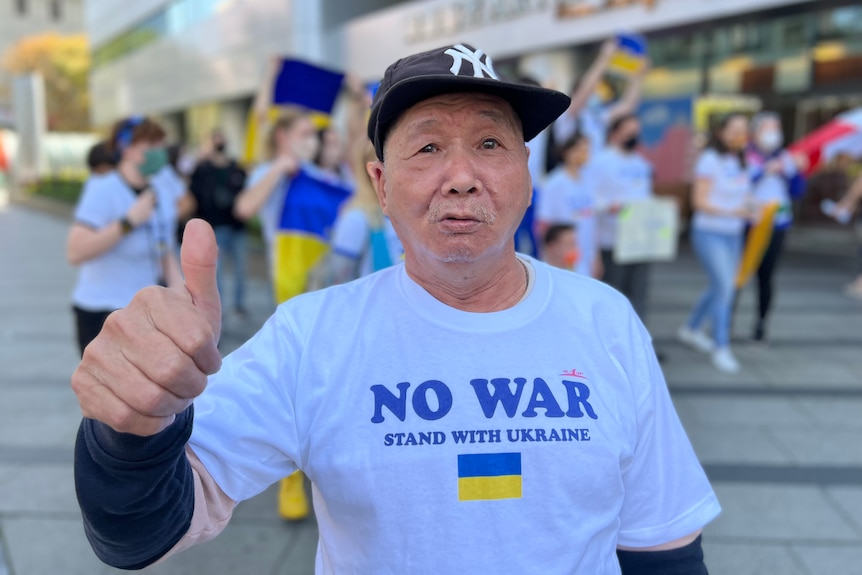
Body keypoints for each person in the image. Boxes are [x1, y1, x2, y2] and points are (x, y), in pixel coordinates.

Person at [72, 43, 720, 574]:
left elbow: (662, 545)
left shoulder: (605, 320)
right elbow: (139, 528)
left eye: (491, 145)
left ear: (527, 172)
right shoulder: (313, 336)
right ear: (381, 184)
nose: (463, 175)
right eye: (429, 147)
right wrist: (132, 431)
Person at [66, 117, 182, 356]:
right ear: (127, 149)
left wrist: (186, 303)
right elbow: (75, 251)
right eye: (152, 146)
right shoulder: (103, 188)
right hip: (102, 312)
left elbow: (165, 252)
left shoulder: (161, 190)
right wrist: (127, 223)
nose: (160, 152)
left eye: (161, 145)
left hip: (145, 312)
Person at [678, 113, 756, 374]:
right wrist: (733, 212)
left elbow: (743, 196)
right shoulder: (710, 159)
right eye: (734, 129)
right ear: (721, 131)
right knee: (725, 289)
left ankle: (691, 329)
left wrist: (750, 209)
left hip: (734, 234)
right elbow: (699, 202)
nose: (738, 135)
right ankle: (721, 347)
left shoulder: (741, 159)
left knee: (720, 286)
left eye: (743, 130)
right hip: (709, 232)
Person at [739, 112, 804, 342]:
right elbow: (739, 184)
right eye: (768, 128)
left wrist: (796, 170)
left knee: (766, 276)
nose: (773, 133)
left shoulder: (786, 157)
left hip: (776, 224)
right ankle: (724, 324)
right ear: (755, 132)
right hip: (748, 223)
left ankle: (760, 326)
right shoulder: (744, 155)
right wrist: (766, 169)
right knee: (737, 276)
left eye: (776, 128)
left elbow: (797, 191)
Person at [591, 114, 654, 318]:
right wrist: (609, 207)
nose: (634, 136)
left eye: (636, 132)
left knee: (639, 295)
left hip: (640, 240)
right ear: (615, 133)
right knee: (614, 294)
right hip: (612, 240)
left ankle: (640, 346)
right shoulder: (600, 161)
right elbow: (590, 199)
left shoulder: (643, 164)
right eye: (629, 132)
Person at [189, 129, 249, 318]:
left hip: (237, 226)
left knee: (241, 270)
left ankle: (239, 305)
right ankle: (218, 312)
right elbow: (194, 196)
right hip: (215, 227)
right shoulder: (202, 169)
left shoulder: (236, 168)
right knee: (217, 274)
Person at [535, 131, 600, 277]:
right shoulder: (554, 182)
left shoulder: (588, 182)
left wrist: (595, 257)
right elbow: (543, 224)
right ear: (567, 152)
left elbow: (591, 221)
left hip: (584, 257)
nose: (584, 154)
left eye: (586, 150)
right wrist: (550, 255)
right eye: (579, 149)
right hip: (561, 258)